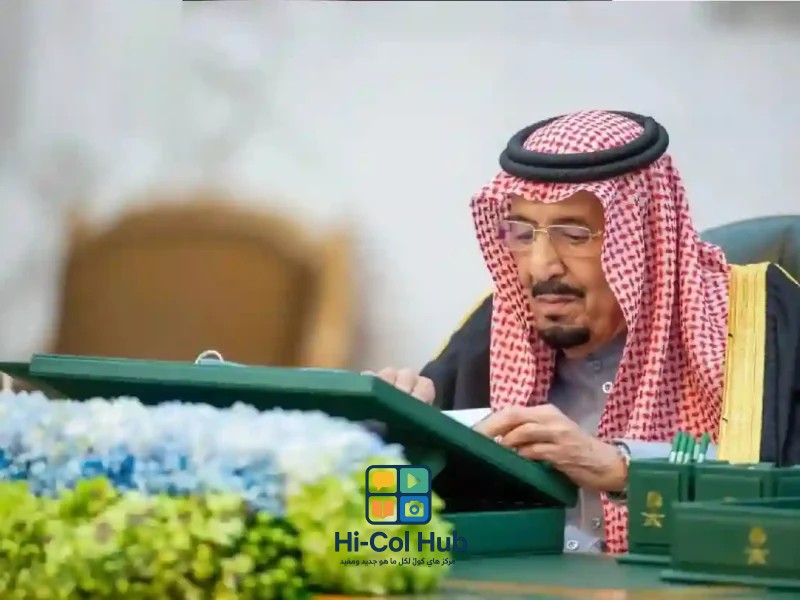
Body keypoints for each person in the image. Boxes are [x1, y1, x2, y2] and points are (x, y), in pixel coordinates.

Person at [372, 110, 800, 555]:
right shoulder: (498, 327)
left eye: (575, 235)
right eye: (522, 234)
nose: (541, 267)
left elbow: (782, 492)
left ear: (642, 238)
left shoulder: (759, 321)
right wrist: (396, 436)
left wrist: (625, 471)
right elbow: (403, 527)